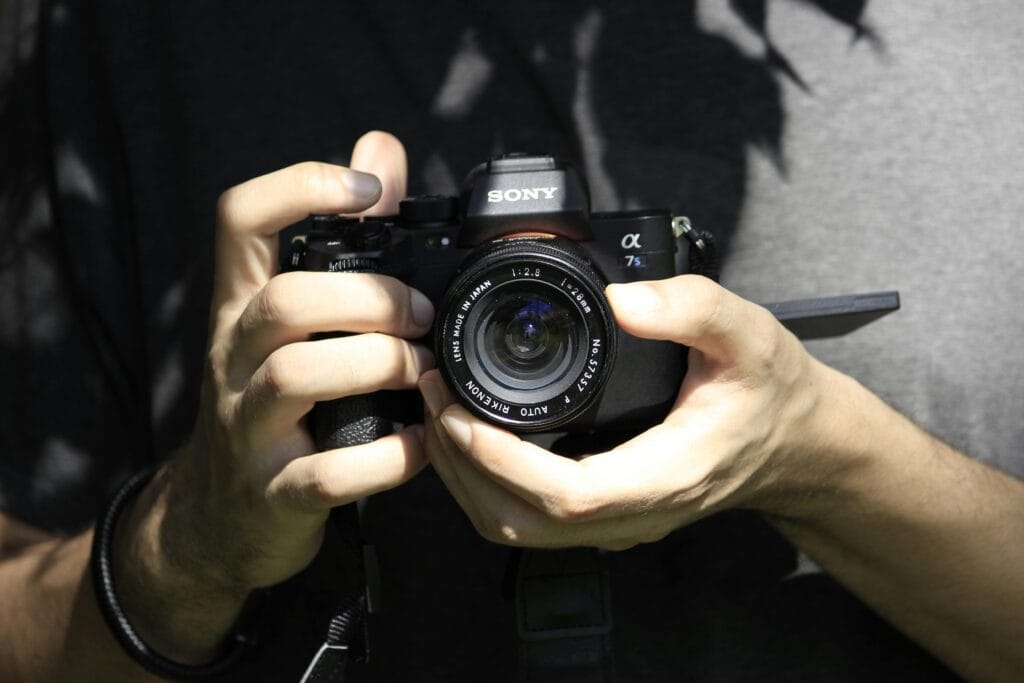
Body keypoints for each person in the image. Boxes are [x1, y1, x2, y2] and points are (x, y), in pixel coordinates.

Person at [2, 1, 1023, 681]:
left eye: (542, 316)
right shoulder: (126, 36)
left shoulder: (986, 35)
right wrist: (188, 542)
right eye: (496, 313)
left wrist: (823, 457)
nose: (525, 326)